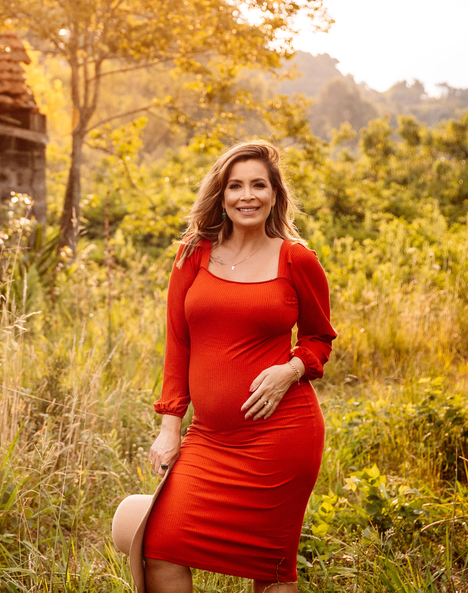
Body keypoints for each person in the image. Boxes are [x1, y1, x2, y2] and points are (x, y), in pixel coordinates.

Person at [143, 140, 336, 593]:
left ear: (274, 195)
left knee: (269, 568)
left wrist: (290, 368)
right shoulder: (193, 254)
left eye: (258, 185)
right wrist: (171, 427)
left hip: (280, 437)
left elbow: (319, 338)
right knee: (159, 546)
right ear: (222, 195)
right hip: (208, 437)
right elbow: (178, 342)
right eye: (235, 186)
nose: (246, 195)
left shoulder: (297, 258)